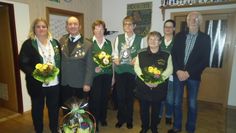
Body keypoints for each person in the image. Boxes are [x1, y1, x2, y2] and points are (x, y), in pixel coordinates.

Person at [168, 11, 211, 133]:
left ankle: (190, 128)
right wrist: (177, 70)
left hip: (193, 76)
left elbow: (205, 60)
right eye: (190, 19)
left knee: (192, 104)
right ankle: (177, 127)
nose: (193, 20)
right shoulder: (179, 36)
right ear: (187, 21)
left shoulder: (205, 38)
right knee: (176, 102)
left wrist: (188, 73)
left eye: (196, 19)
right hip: (178, 75)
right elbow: (173, 55)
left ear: (200, 21)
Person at [19, 17, 60, 133]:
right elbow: (22, 63)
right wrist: (37, 74)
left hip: (54, 83)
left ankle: (54, 128)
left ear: (47, 28)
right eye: (38, 26)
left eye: (44, 26)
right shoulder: (28, 44)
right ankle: (39, 130)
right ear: (34, 29)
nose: (41, 29)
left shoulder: (55, 42)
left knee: (54, 108)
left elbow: (59, 60)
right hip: (37, 83)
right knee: (37, 109)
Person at [134, 31, 173, 133]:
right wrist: (145, 80)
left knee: (156, 110)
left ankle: (154, 128)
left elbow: (169, 69)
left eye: (156, 39)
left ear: (160, 42)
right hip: (143, 87)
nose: (153, 41)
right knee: (143, 110)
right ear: (148, 41)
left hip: (159, 88)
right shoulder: (141, 53)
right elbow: (137, 68)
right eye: (151, 39)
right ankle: (145, 127)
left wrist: (158, 81)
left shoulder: (166, 54)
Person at [113, 16, 145, 129]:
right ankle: (121, 119)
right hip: (120, 71)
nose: (127, 26)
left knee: (130, 97)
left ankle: (129, 120)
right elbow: (115, 52)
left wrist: (137, 59)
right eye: (125, 24)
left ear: (134, 26)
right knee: (120, 97)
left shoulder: (140, 39)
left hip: (132, 72)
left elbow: (142, 54)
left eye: (130, 24)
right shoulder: (119, 37)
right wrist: (115, 58)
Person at [59, 16, 93, 113]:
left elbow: (90, 66)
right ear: (67, 27)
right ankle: (67, 127)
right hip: (65, 82)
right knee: (66, 108)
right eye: (70, 24)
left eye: (75, 24)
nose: (72, 26)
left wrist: (87, 83)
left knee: (80, 110)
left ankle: (80, 128)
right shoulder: (62, 40)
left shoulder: (87, 44)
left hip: (80, 83)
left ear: (80, 26)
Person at [89, 20, 113, 132]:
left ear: (104, 30)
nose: (99, 30)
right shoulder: (88, 43)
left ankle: (103, 117)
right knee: (95, 99)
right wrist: (94, 68)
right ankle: (95, 121)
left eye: (101, 28)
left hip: (107, 75)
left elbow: (111, 61)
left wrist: (113, 77)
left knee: (104, 98)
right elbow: (86, 61)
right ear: (93, 30)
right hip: (95, 76)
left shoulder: (109, 43)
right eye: (97, 28)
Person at [158, 19, 176, 125]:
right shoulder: (159, 40)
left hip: (172, 76)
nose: (167, 29)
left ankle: (168, 115)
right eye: (166, 27)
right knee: (160, 97)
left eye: (170, 27)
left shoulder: (177, 41)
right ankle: (159, 115)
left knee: (170, 98)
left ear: (173, 29)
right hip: (159, 74)